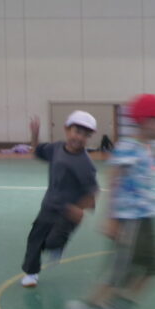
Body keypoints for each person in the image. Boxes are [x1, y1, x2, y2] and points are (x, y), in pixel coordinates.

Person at [66, 94, 155, 309]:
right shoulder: (128, 146)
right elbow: (115, 178)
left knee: (153, 268)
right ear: (147, 121)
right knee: (118, 274)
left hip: (148, 218)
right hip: (130, 220)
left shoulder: (146, 148)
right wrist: (111, 218)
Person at [20, 111, 99, 288]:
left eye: (85, 135)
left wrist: (79, 208)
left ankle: (57, 246)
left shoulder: (85, 164)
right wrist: (34, 135)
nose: (80, 137)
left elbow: (93, 192)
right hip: (49, 205)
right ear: (67, 129)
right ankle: (31, 273)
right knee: (35, 239)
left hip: (68, 213)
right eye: (77, 131)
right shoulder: (56, 148)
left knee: (51, 243)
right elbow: (37, 151)